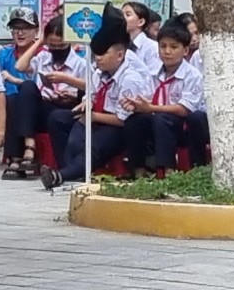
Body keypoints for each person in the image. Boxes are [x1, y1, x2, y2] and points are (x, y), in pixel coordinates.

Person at [45, 33, 131, 187]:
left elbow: (123, 120)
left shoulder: (130, 79)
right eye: (96, 53)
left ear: (119, 55)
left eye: (103, 53)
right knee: (58, 118)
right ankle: (68, 169)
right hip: (96, 116)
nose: (98, 58)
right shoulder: (99, 73)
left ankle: (62, 175)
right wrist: (86, 103)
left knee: (94, 143)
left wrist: (93, 117)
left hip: (117, 126)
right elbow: (91, 94)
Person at [125, 25, 206, 173]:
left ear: (185, 50)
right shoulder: (154, 73)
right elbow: (147, 97)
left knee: (162, 119)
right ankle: (138, 171)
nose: (167, 51)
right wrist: (135, 104)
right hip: (159, 120)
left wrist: (152, 108)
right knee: (135, 120)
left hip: (185, 126)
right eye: (163, 46)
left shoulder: (193, 75)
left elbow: (184, 109)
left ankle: (167, 171)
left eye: (173, 47)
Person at [0, 11, 43, 178]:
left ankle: (14, 157)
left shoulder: (43, 53)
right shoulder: (4, 54)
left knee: (19, 98)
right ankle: (18, 156)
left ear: (36, 31)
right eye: (16, 28)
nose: (20, 33)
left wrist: (13, 80)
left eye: (25, 28)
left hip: (37, 106)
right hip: (7, 104)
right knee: (11, 100)